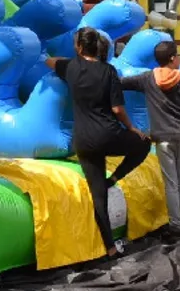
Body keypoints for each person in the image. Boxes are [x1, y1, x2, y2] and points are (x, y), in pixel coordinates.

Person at [46, 27, 149, 257]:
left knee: (97, 195)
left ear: (79, 47)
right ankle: (114, 178)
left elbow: (50, 61)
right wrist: (132, 128)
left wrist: (70, 59)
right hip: (109, 135)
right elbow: (117, 108)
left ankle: (110, 248)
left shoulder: (70, 67)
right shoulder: (108, 71)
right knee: (144, 144)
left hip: (84, 140)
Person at [121, 40, 180, 237]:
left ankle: (175, 224)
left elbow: (122, 83)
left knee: (171, 184)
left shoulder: (148, 79)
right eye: (178, 56)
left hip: (162, 139)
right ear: (172, 58)